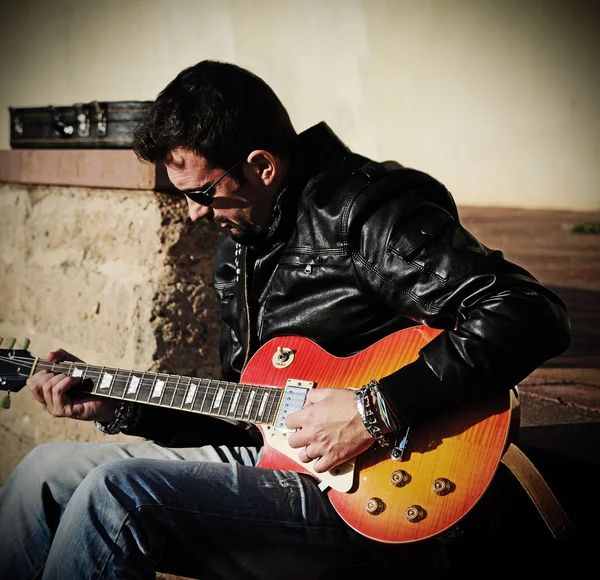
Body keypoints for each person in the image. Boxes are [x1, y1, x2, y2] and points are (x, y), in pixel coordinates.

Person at [0, 60, 570, 580]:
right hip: (277, 457)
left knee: (116, 496)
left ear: (262, 167)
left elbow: (526, 312)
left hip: (372, 488)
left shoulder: (365, 212)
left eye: (202, 192)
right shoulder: (240, 246)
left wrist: (375, 410)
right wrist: (117, 404)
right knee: (42, 473)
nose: (195, 213)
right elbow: (245, 413)